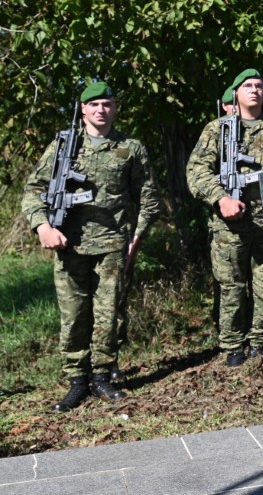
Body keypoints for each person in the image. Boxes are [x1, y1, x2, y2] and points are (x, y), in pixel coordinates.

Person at [22, 81, 162, 411]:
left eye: (107, 104)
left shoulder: (130, 148)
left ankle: (102, 377)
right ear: (83, 110)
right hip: (69, 245)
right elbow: (33, 190)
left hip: (113, 244)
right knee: (73, 316)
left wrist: (136, 239)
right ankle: (76, 382)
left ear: (115, 109)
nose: (101, 109)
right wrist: (42, 226)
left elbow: (149, 199)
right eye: (94, 104)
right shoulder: (64, 147)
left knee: (108, 314)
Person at [187, 68, 263, 366]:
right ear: (236, 93)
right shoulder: (217, 130)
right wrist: (220, 198)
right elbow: (196, 171)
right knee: (232, 285)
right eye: (248, 85)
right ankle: (233, 345)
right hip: (229, 224)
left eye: (259, 85)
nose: (254, 90)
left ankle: (259, 344)